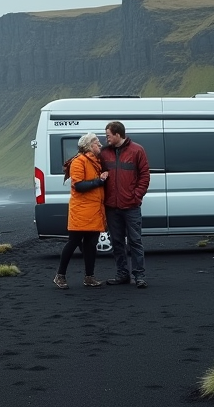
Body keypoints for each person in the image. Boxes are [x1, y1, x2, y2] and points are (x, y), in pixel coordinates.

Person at [99, 120, 151, 288]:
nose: (106, 138)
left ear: (117, 134)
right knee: (117, 242)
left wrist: (136, 196)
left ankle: (139, 276)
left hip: (131, 206)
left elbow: (144, 176)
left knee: (135, 241)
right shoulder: (104, 153)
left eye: (108, 135)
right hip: (112, 207)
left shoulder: (137, 150)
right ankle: (122, 274)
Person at [54, 131, 108, 289]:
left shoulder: (96, 162)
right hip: (81, 211)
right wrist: (100, 181)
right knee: (73, 242)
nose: (100, 145)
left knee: (91, 244)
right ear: (89, 145)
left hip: (94, 209)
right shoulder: (79, 162)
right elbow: (78, 185)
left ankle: (89, 277)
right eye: (97, 142)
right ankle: (60, 276)